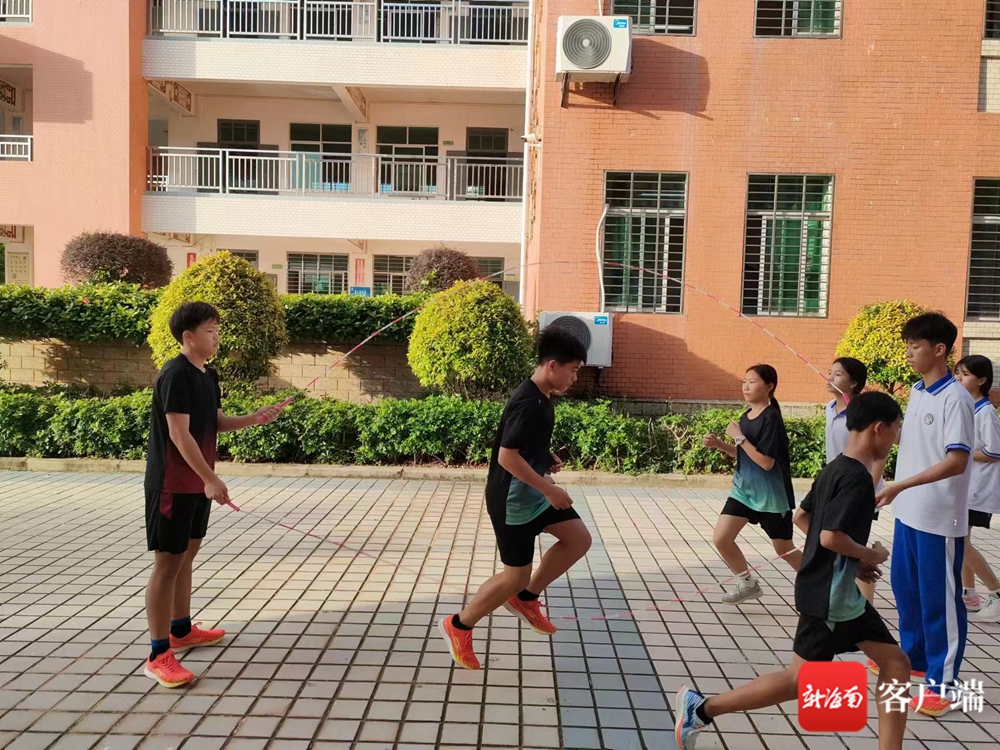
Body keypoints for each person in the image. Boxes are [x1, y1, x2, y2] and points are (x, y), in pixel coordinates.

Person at [675, 392, 909, 750]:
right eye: (896, 429)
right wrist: (870, 554)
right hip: (831, 599)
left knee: (895, 664)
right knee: (800, 680)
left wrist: (853, 560)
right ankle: (703, 709)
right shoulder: (858, 479)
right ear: (878, 428)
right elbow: (830, 536)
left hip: (834, 593)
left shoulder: (835, 468)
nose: (896, 438)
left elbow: (803, 518)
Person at [143, 302, 283, 688]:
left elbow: (214, 421)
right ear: (188, 337)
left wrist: (255, 417)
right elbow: (178, 433)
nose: (217, 337)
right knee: (167, 565)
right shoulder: (175, 375)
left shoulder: (208, 375)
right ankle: (158, 654)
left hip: (196, 485)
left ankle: (181, 630)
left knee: (186, 557)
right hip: (172, 485)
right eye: (210, 331)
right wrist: (210, 478)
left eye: (217, 330)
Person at [439, 328, 593, 669]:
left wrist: (543, 455)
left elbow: (519, 444)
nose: (574, 377)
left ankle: (526, 598)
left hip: (531, 493)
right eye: (573, 370)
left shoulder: (541, 397)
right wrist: (550, 488)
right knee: (515, 575)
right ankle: (459, 624)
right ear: (552, 365)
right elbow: (506, 457)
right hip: (512, 500)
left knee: (578, 539)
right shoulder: (529, 402)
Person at [874, 313, 974, 715]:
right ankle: (913, 660)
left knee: (940, 601)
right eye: (907, 345)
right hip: (908, 513)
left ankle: (944, 684)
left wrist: (900, 485)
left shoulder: (956, 398)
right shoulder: (917, 391)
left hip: (939, 517)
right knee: (907, 591)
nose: (908, 353)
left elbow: (956, 461)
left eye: (915, 346)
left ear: (939, 349)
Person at [702, 365, 802, 604]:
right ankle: (747, 584)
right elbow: (745, 454)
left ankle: (823, 582)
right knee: (721, 538)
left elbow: (766, 462)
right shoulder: (745, 418)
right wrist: (720, 445)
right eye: (744, 381)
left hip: (771, 498)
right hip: (743, 492)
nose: (746, 387)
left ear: (769, 386)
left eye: (752, 382)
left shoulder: (771, 418)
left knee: (784, 549)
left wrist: (739, 437)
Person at [825, 356, 886, 604]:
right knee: (840, 546)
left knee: (858, 547)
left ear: (853, 383)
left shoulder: (861, 415)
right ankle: (846, 601)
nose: (830, 377)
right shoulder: (830, 407)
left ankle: (865, 607)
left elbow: (878, 456)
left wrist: (867, 491)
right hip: (838, 486)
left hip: (860, 490)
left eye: (838, 374)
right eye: (830, 372)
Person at [954, 355, 1000, 623]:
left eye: (965, 374)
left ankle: (996, 591)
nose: (959, 378)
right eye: (957, 373)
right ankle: (969, 595)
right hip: (966, 485)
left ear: (981, 380)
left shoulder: (985, 412)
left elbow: (994, 450)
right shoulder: (967, 407)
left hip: (977, 488)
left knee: (960, 540)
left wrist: (961, 453)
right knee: (961, 539)